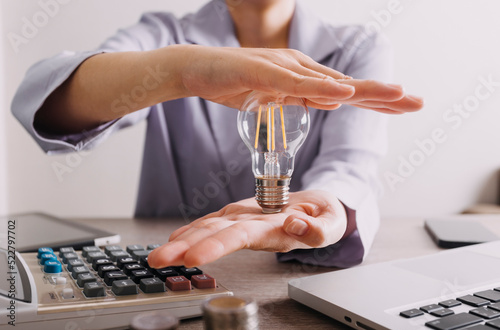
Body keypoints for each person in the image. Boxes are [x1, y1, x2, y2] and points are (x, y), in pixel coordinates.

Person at [12, 0, 423, 269]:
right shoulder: (166, 36)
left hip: (294, 275)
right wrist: (178, 72)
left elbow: (350, 164)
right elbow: (42, 100)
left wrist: (328, 202)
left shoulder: (356, 46)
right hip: (170, 263)